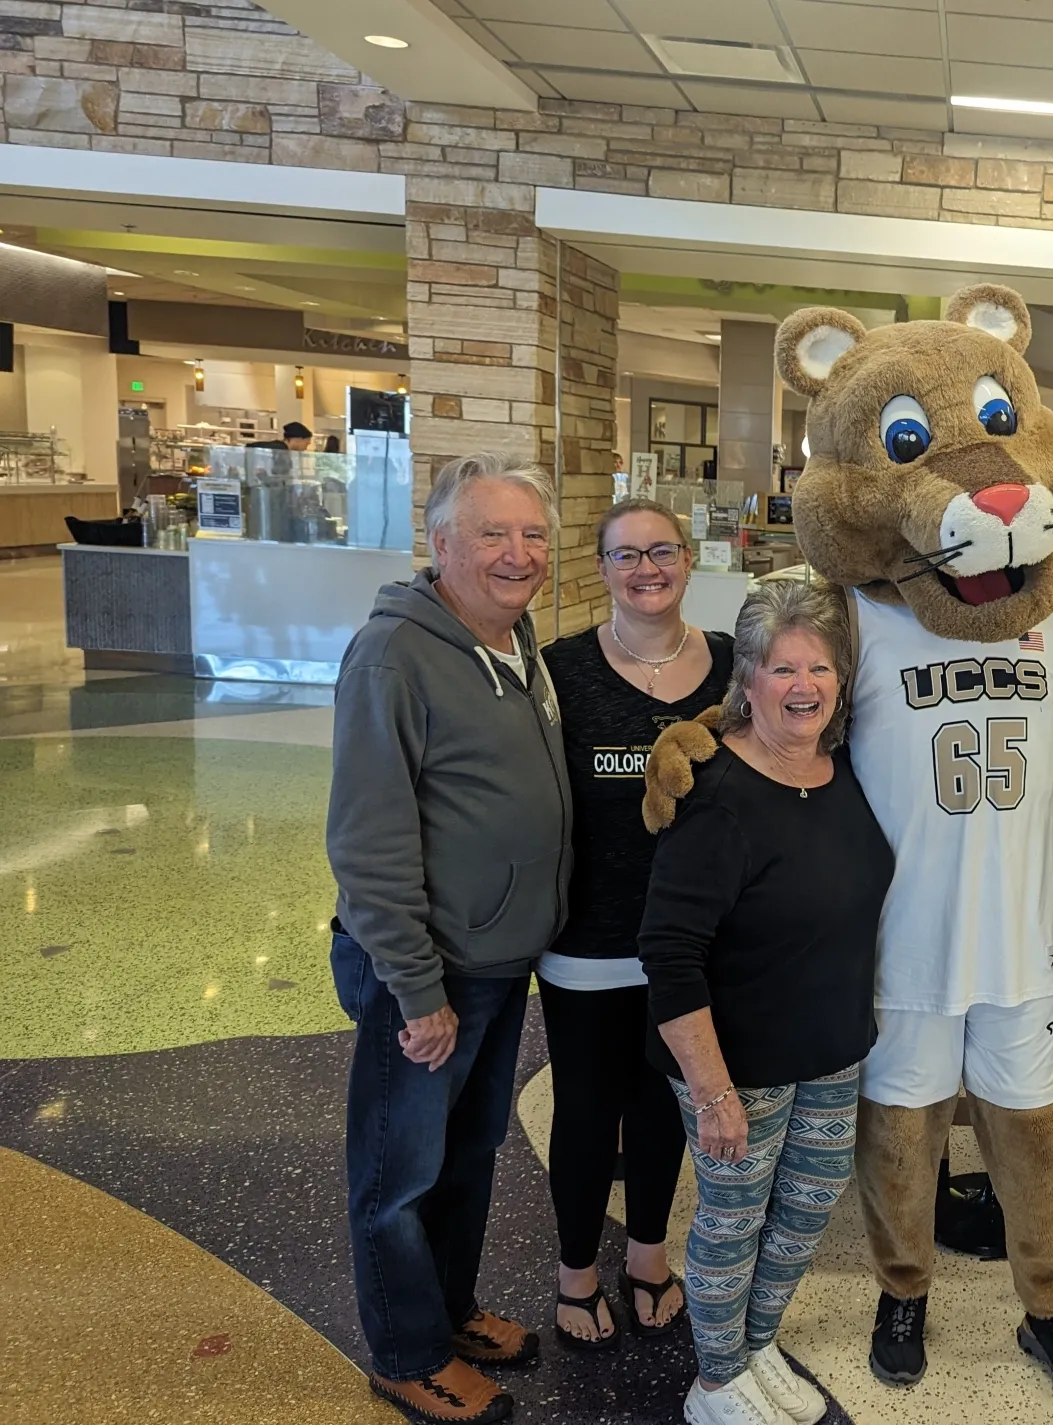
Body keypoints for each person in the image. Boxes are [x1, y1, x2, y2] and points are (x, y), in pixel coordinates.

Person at [326, 453, 570, 1425]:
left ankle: (452, 1308)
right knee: (397, 1175)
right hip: (430, 972)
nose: (518, 555)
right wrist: (416, 989)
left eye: (534, 535)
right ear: (439, 545)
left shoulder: (512, 641)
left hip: (498, 959)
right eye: (492, 534)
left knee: (467, 1158)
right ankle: (406, 1351)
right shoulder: (395, 655)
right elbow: (367, 840)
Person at [640, 579, 894, 1425]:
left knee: (806, 1210)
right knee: (733, 1217)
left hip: (831, 1048)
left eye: (819, 666)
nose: (803, 684)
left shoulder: (844, 765)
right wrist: (711, 1091)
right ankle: (714, 1380)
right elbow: (668, 953)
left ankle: (753, 1346)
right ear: (746, 679)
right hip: (737, 1063)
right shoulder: (716, 796)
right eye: (783, 666)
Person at [536, 500, 733, 1351]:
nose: (645, 568)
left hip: (694, 942)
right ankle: (576, 1272)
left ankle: (648, 1255)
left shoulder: (732, 666)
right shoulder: (561, 670)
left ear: (688, 560)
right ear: (602, 567)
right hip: (589, 939)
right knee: (586, 1106)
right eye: (625, 555)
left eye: (661, 551)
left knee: (663, 1102)